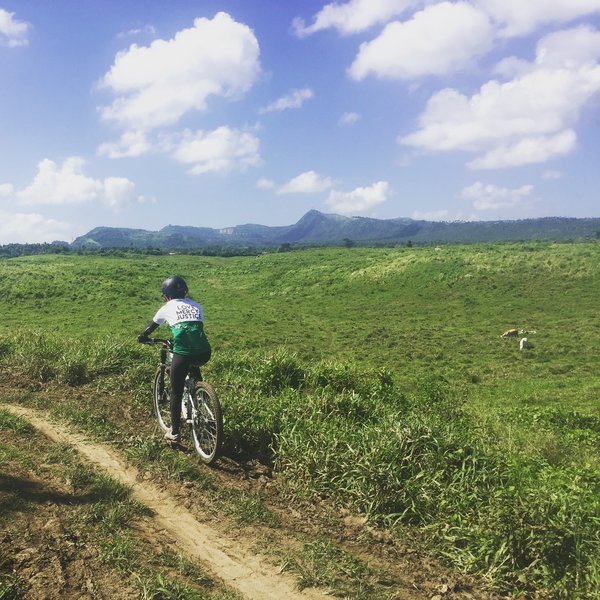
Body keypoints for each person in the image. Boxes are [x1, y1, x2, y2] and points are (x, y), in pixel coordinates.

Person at [138, 275, 211, 443]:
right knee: (193, 366)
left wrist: (143, 336)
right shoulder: (197, 305)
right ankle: (201, 396)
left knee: (176, 390)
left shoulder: (167, 307)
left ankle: (175, 432)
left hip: (183, 352)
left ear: (167, 295)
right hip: (204, 352)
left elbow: (152, 327)